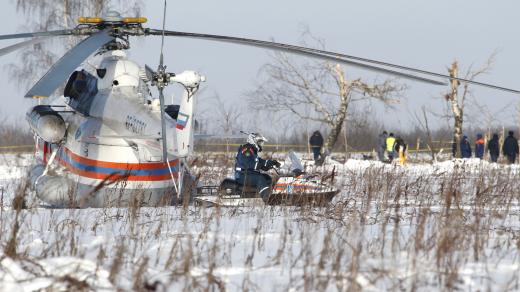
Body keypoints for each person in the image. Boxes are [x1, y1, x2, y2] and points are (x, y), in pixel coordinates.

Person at [235, 133, 281, 201]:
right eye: (260, 142)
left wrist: (272, 163)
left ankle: (270, 195)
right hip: (242, 175)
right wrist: (260, 166)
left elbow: (260, 161)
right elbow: (247, 163)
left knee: (267, 178)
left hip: (249, 174)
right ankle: (267, 199)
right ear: (254, 141)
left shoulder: (252, 151)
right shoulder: (246, 150)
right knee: (260, 179)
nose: (261, 144)